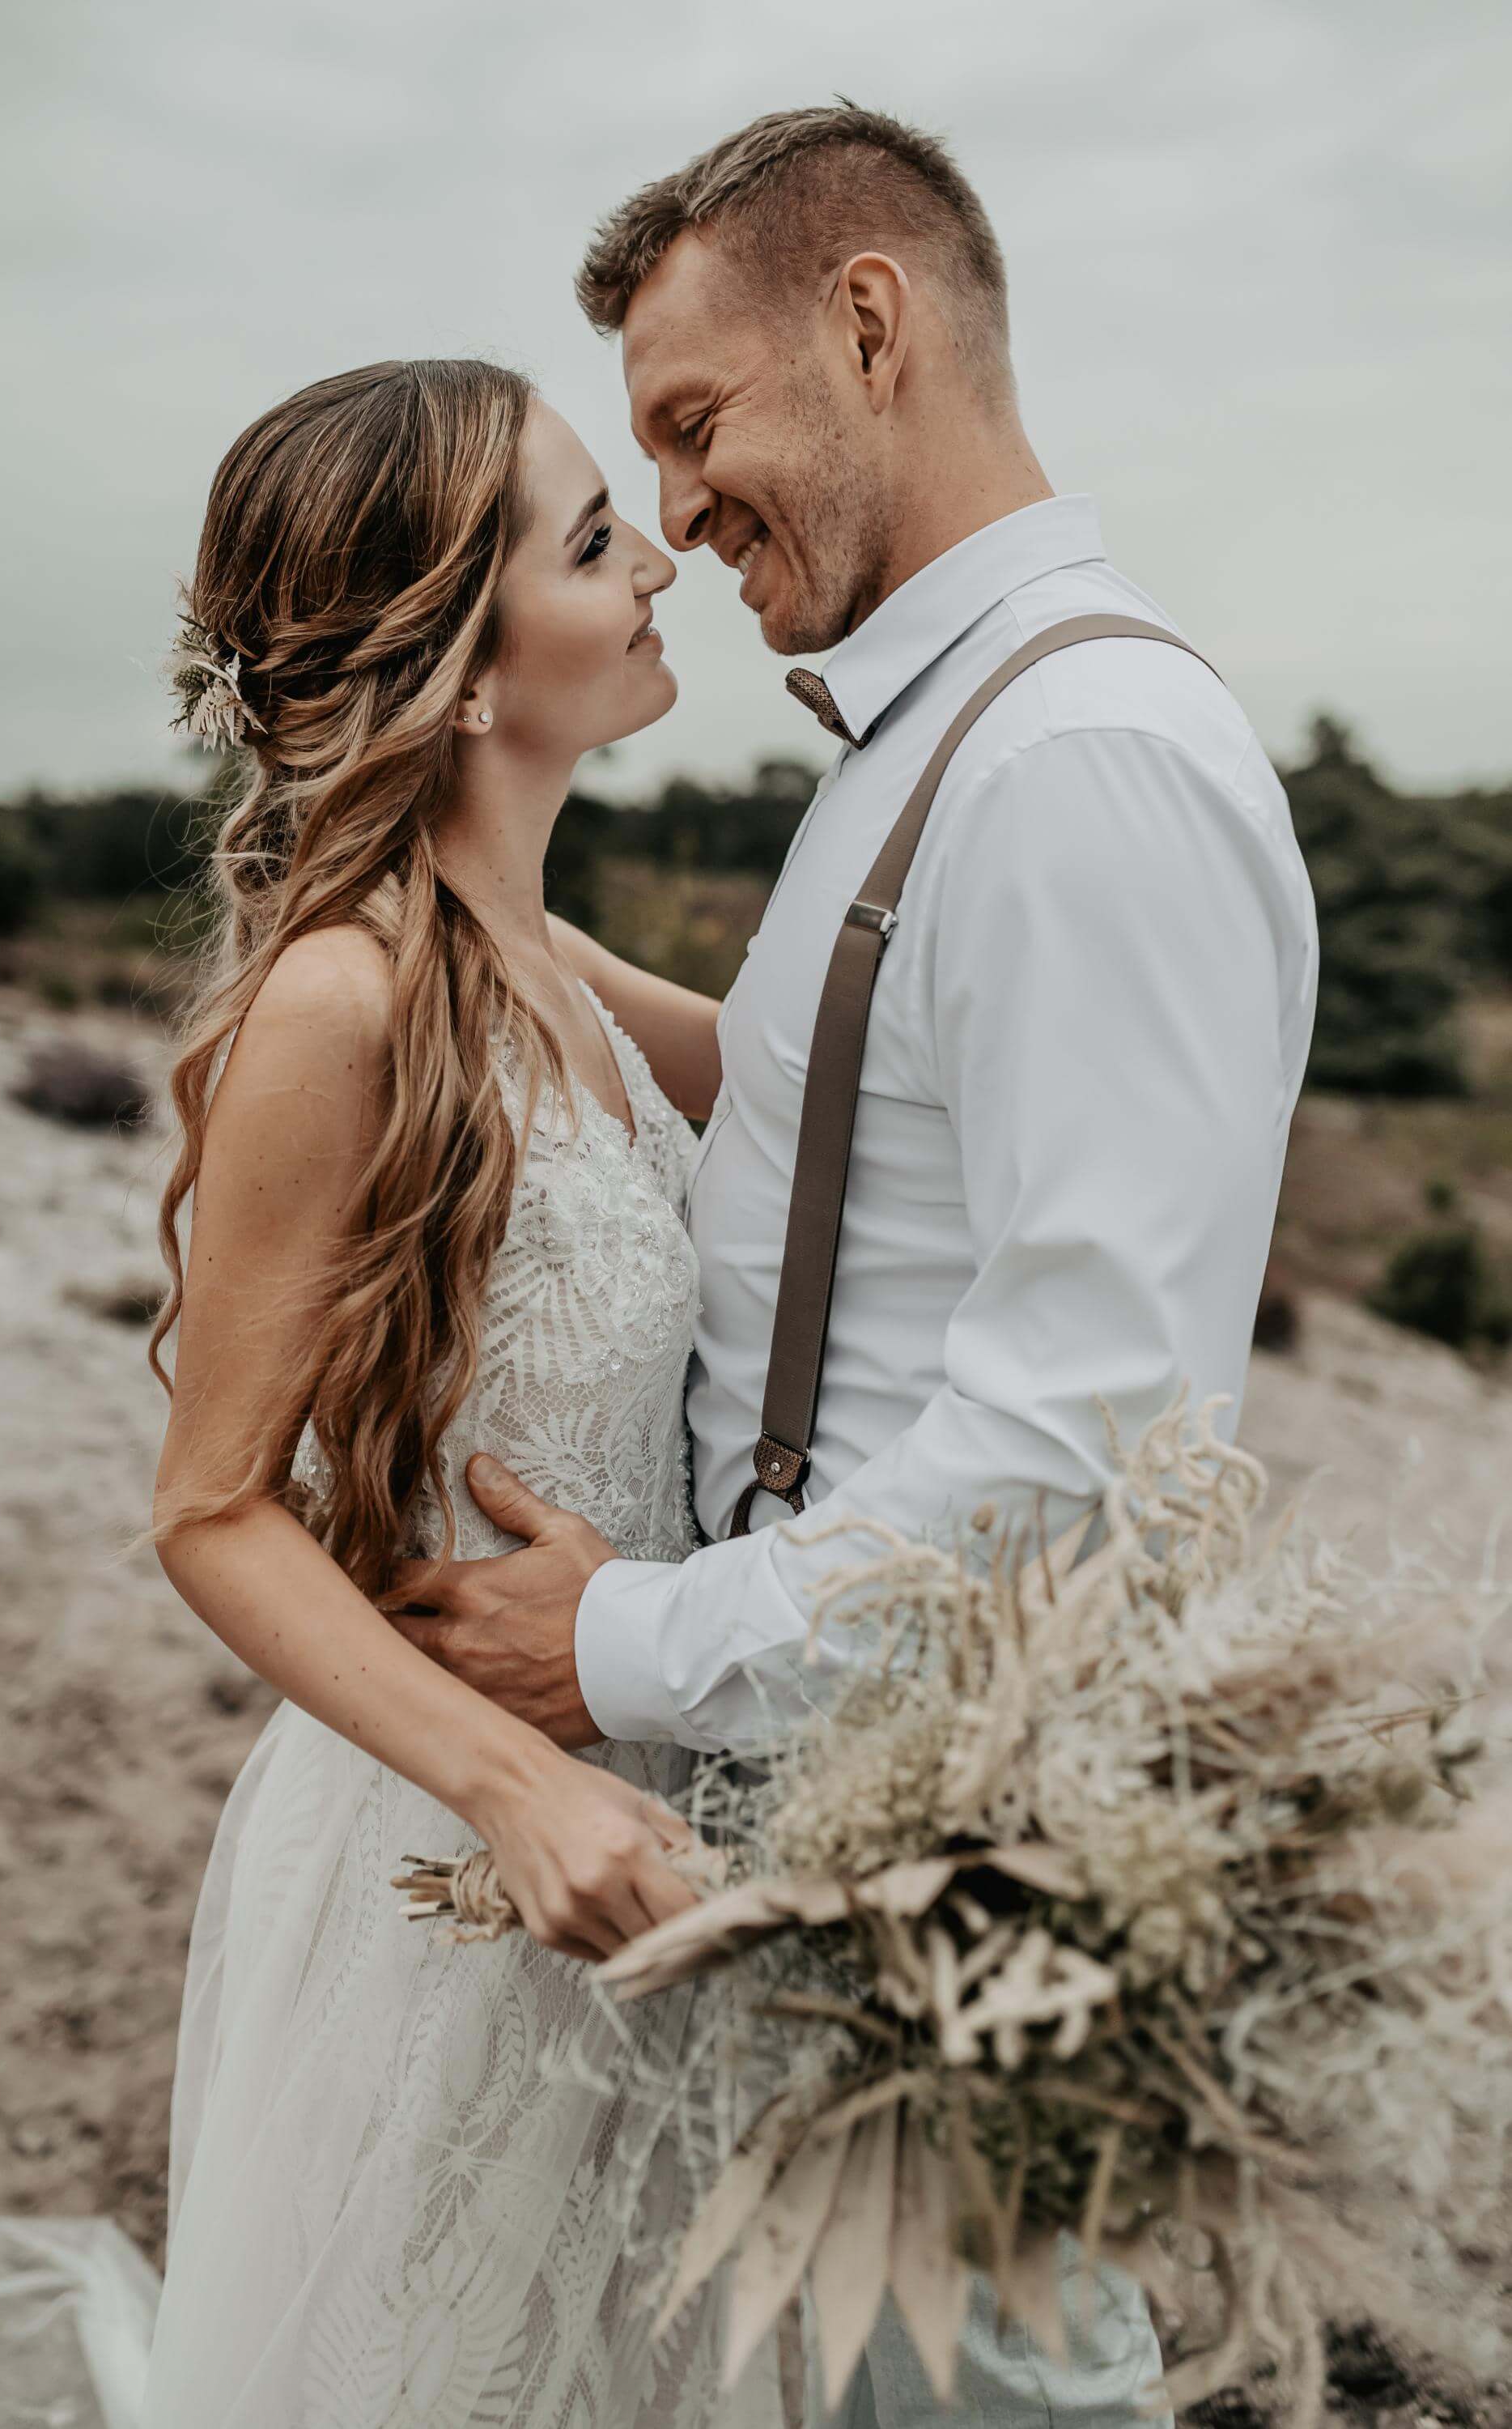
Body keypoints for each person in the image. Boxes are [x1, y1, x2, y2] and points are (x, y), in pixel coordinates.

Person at [384, 105, 1319, 2427]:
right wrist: (460, 908)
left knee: (988, 2389)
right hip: (834, 1798)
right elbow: (821, 1125)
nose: (677, 515)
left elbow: (1082, 1441)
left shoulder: (1077, 762)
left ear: (871, 325)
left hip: (957, 1849)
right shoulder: (954, 742)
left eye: (693, 428)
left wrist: (621, 1637)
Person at [141, 359, 775, 2428]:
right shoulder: (342, 999)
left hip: (647, 1819)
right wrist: (518, 1786)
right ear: (456, 667)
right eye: (597, 541)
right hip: (464, 1851)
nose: (662, 553)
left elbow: (851, 1088)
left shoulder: (540, 963)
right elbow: (211, 1509)